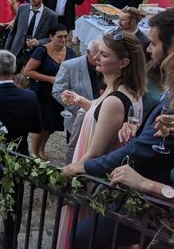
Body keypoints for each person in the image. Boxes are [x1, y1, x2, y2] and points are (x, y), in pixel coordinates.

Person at [62, 9, 174, 248]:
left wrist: (81, 166)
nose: (149, 49)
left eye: (154, 43)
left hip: (155, 200)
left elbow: (142, 149)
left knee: (83, 237)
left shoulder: (118, 99)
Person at [57, 33, 146, 247]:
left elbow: (95, 152)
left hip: (91, 180)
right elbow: (103, 120)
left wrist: (69, 174)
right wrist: (84, 103)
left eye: (104, 55)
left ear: (123, 63)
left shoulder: (115, 100)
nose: (96, 57)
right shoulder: (118, 91)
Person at [24, 24, 77, 159]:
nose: (63, 40)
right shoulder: (41, 51)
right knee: (41, 125)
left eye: (66, 36)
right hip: (41, 92)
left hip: (59, 94)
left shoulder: (70, 52)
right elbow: (28, 71)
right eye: (59, 37)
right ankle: (35, 154)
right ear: (51, 37)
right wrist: (50, 79)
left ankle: (42, 149)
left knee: (51, 125)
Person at [51, 39, 102, 143]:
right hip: (77, 120)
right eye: (96, 54)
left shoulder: (107, 66)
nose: (99, 58)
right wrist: (81, 108)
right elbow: (57, 91)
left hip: (101, 121)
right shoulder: (70, 66)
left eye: (103, 54)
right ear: (87, 52)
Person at [5, 0, 58, 71]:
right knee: (12, 77)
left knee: (29, 81)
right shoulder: (22, 9)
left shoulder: (52, 16)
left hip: (35, 54)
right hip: (17, 51)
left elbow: (52, 38)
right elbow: (13, 32)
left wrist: (39, 42)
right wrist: (6, 51)